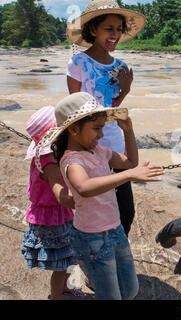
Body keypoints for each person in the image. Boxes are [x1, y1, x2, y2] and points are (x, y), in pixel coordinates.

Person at [35, 92, 164, 300]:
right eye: (96, 128)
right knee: (110, 296)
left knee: (130, 290)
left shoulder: (99, 151)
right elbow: (84, 187)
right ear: (74, 129)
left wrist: (129, 132)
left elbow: (130, 162)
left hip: (115, 231)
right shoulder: (72, 160)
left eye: (102, 128)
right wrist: (130, 175)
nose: (101, 135)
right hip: (91, 239)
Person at [66, 0, 146, 236]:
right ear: (93, 30)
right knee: (95, 208)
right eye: (109, 29)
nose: (115, 35)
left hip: (114, 141)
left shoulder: (120, 65)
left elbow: (110, 107)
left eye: (119, 29)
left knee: (125, 211)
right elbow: (76, 109)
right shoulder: (78, 63)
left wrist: (125, 90)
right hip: (89, 144)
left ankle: (116, 252)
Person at [21, 106, 84, 300]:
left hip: (58, 214)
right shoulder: (48, 163)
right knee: (62, 263)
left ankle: (63, 289)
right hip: (51, 218)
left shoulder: (52, 156)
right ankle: (56, 297)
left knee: (69, 257)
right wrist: (87, 202)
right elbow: (62, 197)